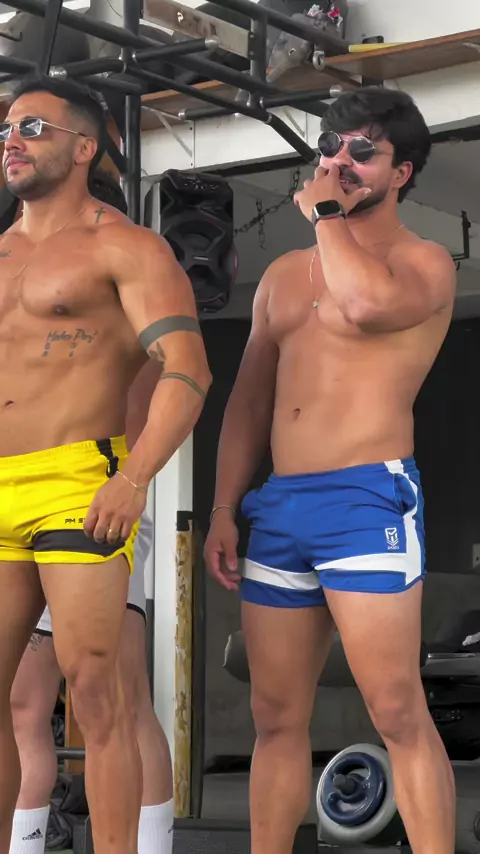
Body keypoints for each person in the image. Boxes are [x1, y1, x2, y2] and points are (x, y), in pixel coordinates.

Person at [204, 87, 457, 854]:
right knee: (276, 715)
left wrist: (325, 218)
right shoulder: (283, 276)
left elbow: (365, 306)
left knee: (396, 710)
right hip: (280, 505)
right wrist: (223, 507)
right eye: (330, 146)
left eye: (363, 151)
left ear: (402, 172)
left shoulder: (424, 261)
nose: (340, 161)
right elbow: (249, 400)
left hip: (365, 497)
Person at [0, 73, 211, 854]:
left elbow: (188, 370)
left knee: (97, 693)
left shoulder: (126, 246)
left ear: (84, 147)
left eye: (32, 128)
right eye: (5, 130)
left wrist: (134, 476)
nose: (12, 141)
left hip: (78, 481)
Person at [9, 171, 173, 854]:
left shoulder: (127, 284)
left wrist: (131, 481)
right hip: (34, 500)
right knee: (32, 701)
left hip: (99, 500)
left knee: (110, 696)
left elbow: (176, 381)